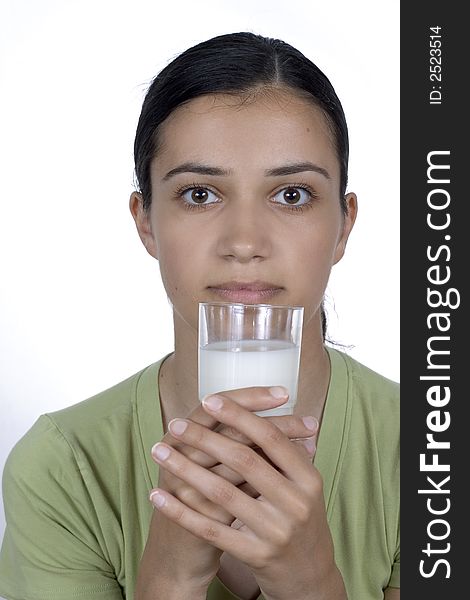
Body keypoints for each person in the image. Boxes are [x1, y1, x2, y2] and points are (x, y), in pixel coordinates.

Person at [0, 32, 399, 600]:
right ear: (145, 221)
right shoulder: (64, 467)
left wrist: (311, 582)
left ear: (344, 224)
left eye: (291, 195)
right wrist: (169, 576)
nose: (244, 241)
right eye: (199, 195)